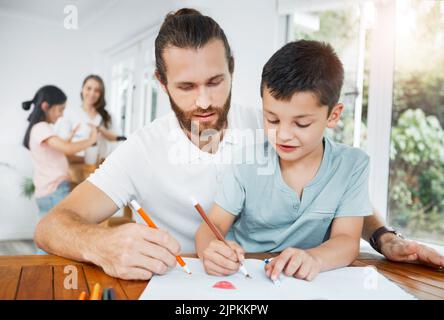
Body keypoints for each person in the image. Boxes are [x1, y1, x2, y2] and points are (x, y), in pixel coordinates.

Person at [34, 9, 444, 280]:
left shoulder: (269, 122)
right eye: (186, 86)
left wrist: (383, 237)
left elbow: (336, 184)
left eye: (215, 81)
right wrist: (98, 243)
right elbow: (52, 224)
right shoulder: (142, 150)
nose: (204, 101)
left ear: (232, 68)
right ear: (161, 84)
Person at [195, 40, 371, 281]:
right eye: (273, 120)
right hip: (246, 277)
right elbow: (212, 224)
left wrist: (315, 259)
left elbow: (348, 241)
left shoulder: (353, 165)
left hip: (306, 282)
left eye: (301, 123)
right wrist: (210, 249)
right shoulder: (246, 162)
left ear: (333, 115)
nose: (284, 134)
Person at [22, 85, 97, 253]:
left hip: (47, 190)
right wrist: (92, 139)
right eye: (60, 109)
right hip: (54, 190)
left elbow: (58, 150)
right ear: (46, 106)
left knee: (46, 233)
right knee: (56, 236)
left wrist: (69, 138)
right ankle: (48, 269)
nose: (62, 114)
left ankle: (44, 268)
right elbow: (68, 149)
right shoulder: (41, 128)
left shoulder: (40, 129)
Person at [55, 75, 126, 164]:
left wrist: (103, 131)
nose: (92, 93)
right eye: (88, 88)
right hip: (76, 166)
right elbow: (62, 143)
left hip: (101, 167)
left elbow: (119, 139)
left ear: (101, 94)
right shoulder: (69, 113)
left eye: (96, 90)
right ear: (82, 89)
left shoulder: (107, 116)